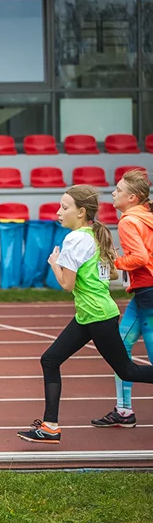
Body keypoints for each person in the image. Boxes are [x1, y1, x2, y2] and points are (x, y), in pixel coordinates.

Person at [19, 184, 153, 444]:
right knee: (50, 360)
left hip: (97, 317)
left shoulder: (76, 239)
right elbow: (112, 274)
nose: (59, 212)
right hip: (92, 314)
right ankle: (50, 427)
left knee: (127, 370)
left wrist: (55, 264)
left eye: (65, 207)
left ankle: (50, 426)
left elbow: (67, 285)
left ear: (81, 212)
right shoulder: (95, 234)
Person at [91, 170, 153, 429]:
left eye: (118, 190)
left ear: (132, 197)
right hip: (142, 294)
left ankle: (124, 409)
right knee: (121, 347)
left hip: (149, 293)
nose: (113, 193)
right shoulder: (147, 216)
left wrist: (112, 262)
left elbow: (139, 258)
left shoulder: (129, 221)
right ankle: (124, 410)